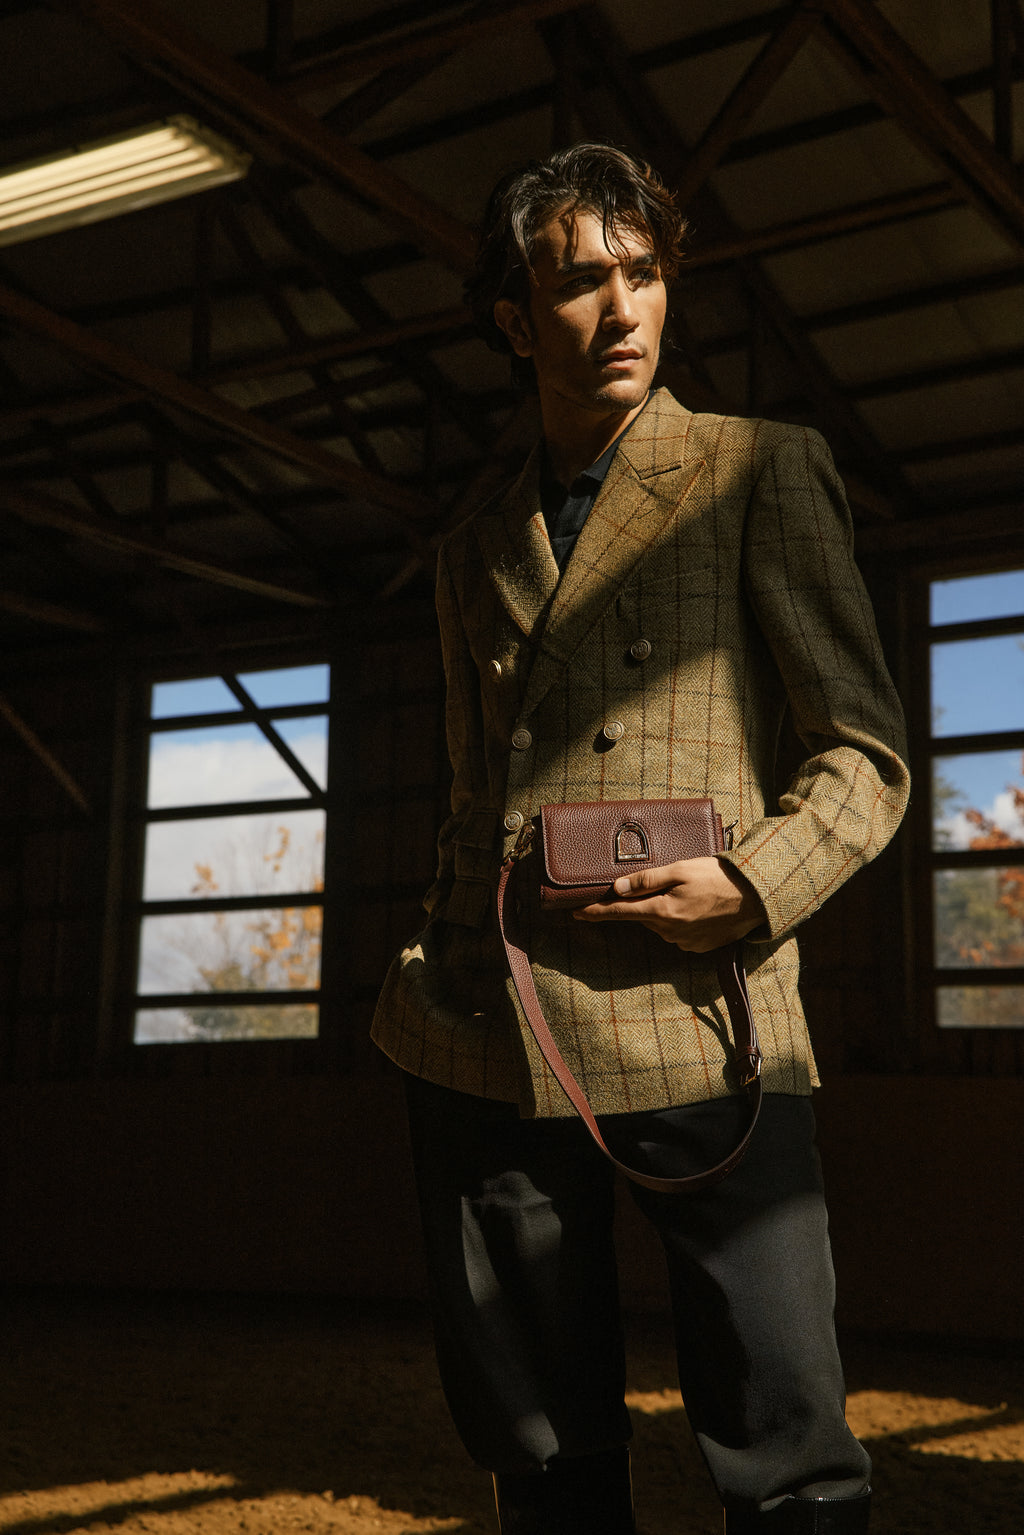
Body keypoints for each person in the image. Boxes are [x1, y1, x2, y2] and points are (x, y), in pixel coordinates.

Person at [372, 142, 909, 1534]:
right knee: (542, 1455)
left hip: (708, 1017)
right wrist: (429, 965)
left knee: (788, 1444)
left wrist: (746, 887)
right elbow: (465, 791)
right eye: (577, 284)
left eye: (643, 274)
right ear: (513, 319)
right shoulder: (471, 547)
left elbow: (864, 757)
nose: (619, 312)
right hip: (491, 1031)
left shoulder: (756, 470)